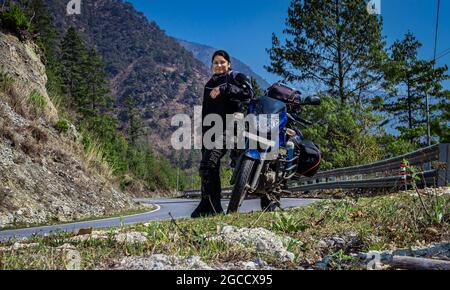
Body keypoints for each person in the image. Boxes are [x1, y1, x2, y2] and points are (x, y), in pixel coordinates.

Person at [191, 50, 253, 218]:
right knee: (207, 166)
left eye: (222, 62)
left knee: (209, 162)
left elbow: (248, 93)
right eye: (215, 63)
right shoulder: (209, 83)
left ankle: (212, 206)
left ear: (228, 64)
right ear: (212, 65)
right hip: (210, 130)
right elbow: (206, 111)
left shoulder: (236, 77)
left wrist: (225, 88)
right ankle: (209, 204)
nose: (219, 65)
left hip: (232, 126)